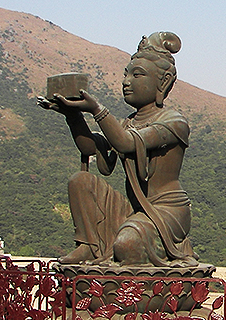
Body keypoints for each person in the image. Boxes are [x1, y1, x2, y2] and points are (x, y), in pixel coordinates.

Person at [38, 32, 197, 267]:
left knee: (126, 245)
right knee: (81, 181)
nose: (126, 81)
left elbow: (125, 143)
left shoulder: (173, 122)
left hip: (165, 212)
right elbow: (90, 146)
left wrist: (97, 109)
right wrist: (72, 115)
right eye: (126, 74)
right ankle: (88, 246)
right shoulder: (127, 123)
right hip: (134, 210)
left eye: (137, 74)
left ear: (162, 82)